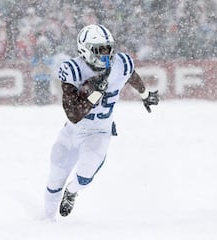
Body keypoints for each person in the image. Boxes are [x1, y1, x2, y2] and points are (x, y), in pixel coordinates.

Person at [44, 24, 159, 220]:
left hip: (99, 132)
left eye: (108, 48)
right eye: (100, 50)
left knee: (85, 175)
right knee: (56, 177)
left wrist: (145, 94)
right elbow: (72, 114)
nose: (106, 54)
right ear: (85, 49)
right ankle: (46, 221)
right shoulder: (73, 70)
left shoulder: (121, 63)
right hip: (73, 130)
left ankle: (72, 192)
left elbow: (132, 76)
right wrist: (94, 94)